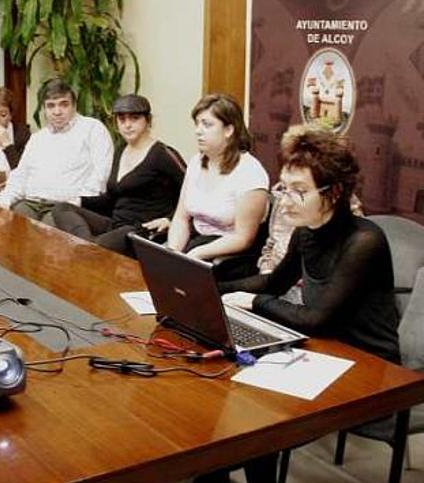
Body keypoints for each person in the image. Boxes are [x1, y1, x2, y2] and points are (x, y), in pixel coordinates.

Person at [221, 124, 399, 363]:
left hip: (371, 361)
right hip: (326, 349)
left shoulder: (364, 241)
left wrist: (254, 301)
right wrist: (214, 286)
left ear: (334, 192)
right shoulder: (305, 232)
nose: (285, 202)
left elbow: (316, 319)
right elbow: (274, 283)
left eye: (299, 191)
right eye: (284, 188)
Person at [52, 94, 185, 255]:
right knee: (61, 208)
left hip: (142, 229)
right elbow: (112, 199)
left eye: (134, 118)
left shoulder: (162, 154)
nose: (127, 125)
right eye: (122, 119)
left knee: (97, 247)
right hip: (115, 224)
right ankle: (87, 247)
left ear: (147, 120)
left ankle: (88, 248)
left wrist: (170, 219)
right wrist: (81, 201)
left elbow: (192, 191)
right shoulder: (121, 149)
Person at [166, 93, 269, 281]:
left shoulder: (250, 172)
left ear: (229, 129)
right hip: (196, 241)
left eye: (207, 124)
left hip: (230, 254)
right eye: (197, 123)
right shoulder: (196, 162)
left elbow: (243, 238)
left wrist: (197, 254)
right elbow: (181, 218)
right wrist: (172, 253)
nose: (198, 131)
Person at [0, 79, 113, 226]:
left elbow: (101, 174)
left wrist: (79, 201)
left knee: (45, 234)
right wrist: (4, 201)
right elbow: (21, 174)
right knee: (5, 223)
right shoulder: (38, 137)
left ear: (74, 106)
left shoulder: (93, 129)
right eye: (51, 106)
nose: (57, 112)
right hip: (31, 202)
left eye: (64, 104)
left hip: (65, 206)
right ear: (44, 109)